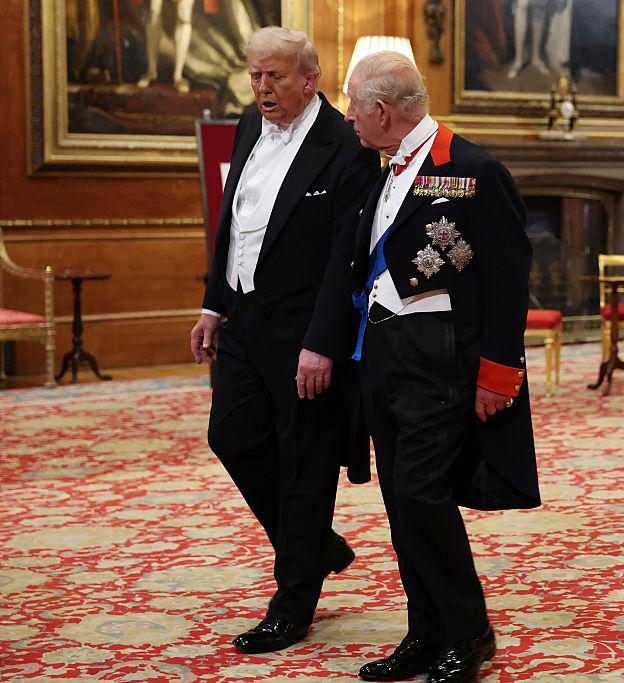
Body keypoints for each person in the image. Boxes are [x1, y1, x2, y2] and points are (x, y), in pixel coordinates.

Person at [344, 51, 540, 683]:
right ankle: (426, 633)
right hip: (383, 352)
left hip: (441, 356)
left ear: (381, 110)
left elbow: (508, 279)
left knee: (422, 493)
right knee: (401, 499)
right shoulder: (383, 169)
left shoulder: (474, 170)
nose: (347, 116)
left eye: (353, 105)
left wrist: (499, 372)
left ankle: (469, 632)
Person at [188, 27, 380, 652]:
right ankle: (315, 545)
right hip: (244, 319)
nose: (262, 88)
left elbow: (345, 259)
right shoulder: (249, 125)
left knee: (304, 465)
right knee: (231, 436)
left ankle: (293, 603)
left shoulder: (345, 146)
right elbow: (232, 222)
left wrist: (322, 343)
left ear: (309, 79)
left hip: (304, 334)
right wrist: (213, 305)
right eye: (255, 76)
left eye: (275, 76)